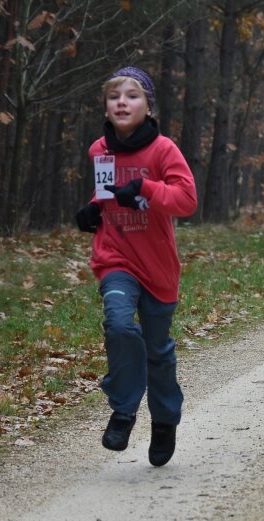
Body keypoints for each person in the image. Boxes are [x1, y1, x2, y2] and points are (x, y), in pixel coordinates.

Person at [74, 66, 198, 467]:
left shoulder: (163, 150)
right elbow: (105, 194)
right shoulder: (100, 150)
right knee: (120, 325)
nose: (122, 102)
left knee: (158, 352)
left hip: (158, 266)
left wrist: (145, 188)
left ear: (148, 106)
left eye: (132, 96)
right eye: (114, 97)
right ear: (106, 107)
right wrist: (93, 209)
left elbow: (186, 200)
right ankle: (124, 409)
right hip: (116, 257)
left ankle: (164, 421)